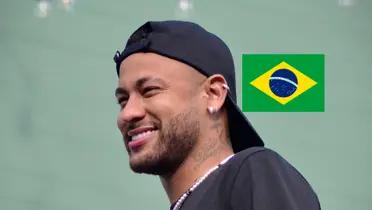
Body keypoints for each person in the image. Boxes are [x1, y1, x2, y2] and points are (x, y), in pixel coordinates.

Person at [113, 20, 320, 210]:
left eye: (149, 90)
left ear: (214, 94)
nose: (127, 113)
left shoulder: (254, 172)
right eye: (123, 100)